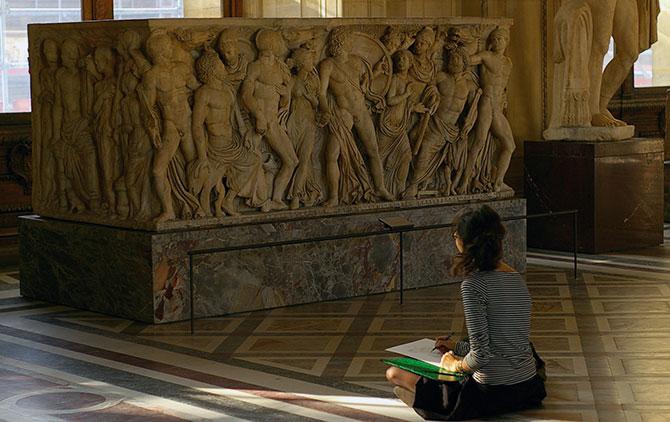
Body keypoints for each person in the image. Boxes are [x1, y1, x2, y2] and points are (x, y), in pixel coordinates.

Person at [386, 205, 546, 420]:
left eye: (456, 235)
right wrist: (456, 347)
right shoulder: (516, 278)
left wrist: (455, 365)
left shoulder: (473, 286)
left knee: (393, 373)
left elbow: (481, 355)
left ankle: (424, 401)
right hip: (527, 387)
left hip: (490, 392)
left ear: (465, 242)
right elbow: (502, 340)